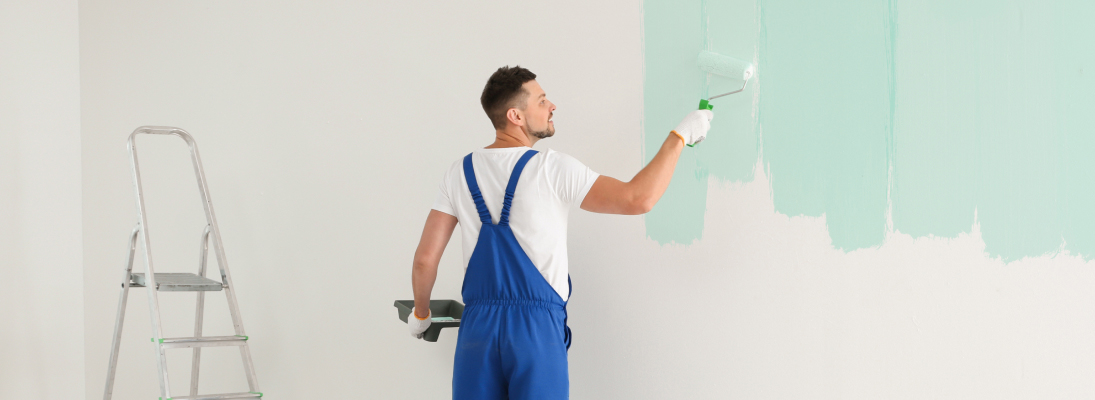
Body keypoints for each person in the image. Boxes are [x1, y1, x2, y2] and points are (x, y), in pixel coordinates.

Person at [407, 65, 713, 400]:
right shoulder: (552, 168)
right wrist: (679, 136)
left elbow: (425, 260)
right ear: (515, 116)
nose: (552, 105)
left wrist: (421, 315)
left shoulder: (458, 173)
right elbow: (638, 199)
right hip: (535, 330)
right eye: (541, 101)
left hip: (477, 330)